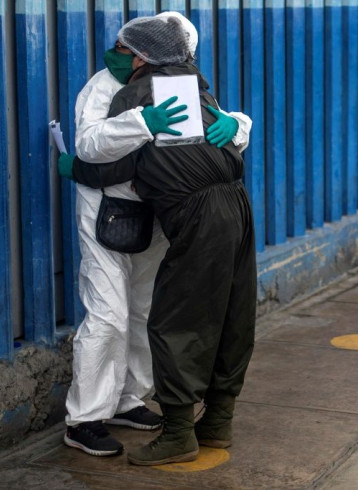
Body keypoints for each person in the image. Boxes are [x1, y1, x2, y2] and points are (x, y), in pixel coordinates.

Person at [63, 15, 257, 466]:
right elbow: (92, 147)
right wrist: (140, 123)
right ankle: (86, 418)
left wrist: (237, 124)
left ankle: (130, 399)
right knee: (109, 314)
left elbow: (210, 129)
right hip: (110, 212)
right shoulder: (106, 89)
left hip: (162, 212)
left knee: (151, 311)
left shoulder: (175, 85)